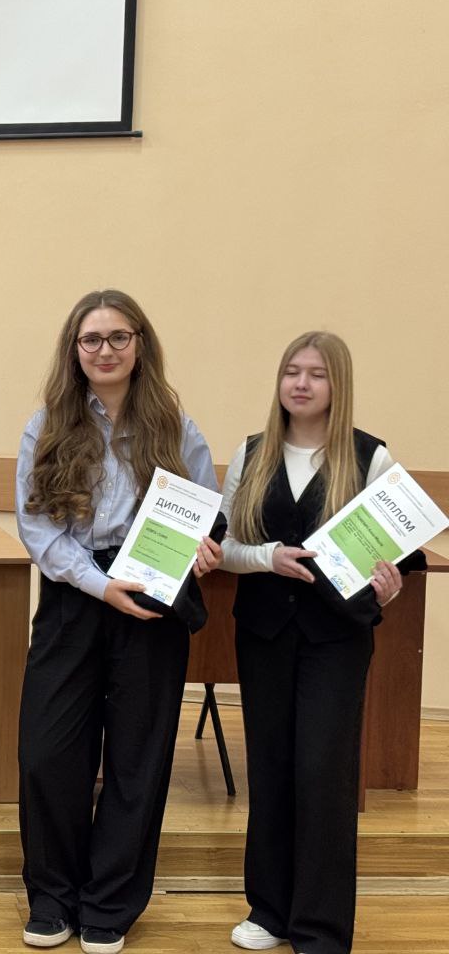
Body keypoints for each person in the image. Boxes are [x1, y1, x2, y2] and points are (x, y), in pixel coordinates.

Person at [15, 289, 222, 954]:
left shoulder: (176, 427)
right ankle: (53, 898)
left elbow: (204, 510)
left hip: (153, 603)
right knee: (48, 754)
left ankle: (109, 905)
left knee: (138, 758)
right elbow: (37, 529)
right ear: (74, 350)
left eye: (117, 337)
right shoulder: (47, 425)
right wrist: (101, 586)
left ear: (140, 345)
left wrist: (204, 547)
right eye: (91, 339)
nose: (104, 350)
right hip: (75, 596)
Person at [220, 332, 401, 954]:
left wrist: (389, 588)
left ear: (337, 384)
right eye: (291, 372)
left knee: (324, 772)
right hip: (264, 634)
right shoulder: (252, 453)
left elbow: (390, 560)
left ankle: (320, 927)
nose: (301, 384)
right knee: (269, 766)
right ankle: (270, 910)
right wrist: (267, 556)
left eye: (316, 374)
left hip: (337, 639)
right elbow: (224, 548)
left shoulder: (371, 458)